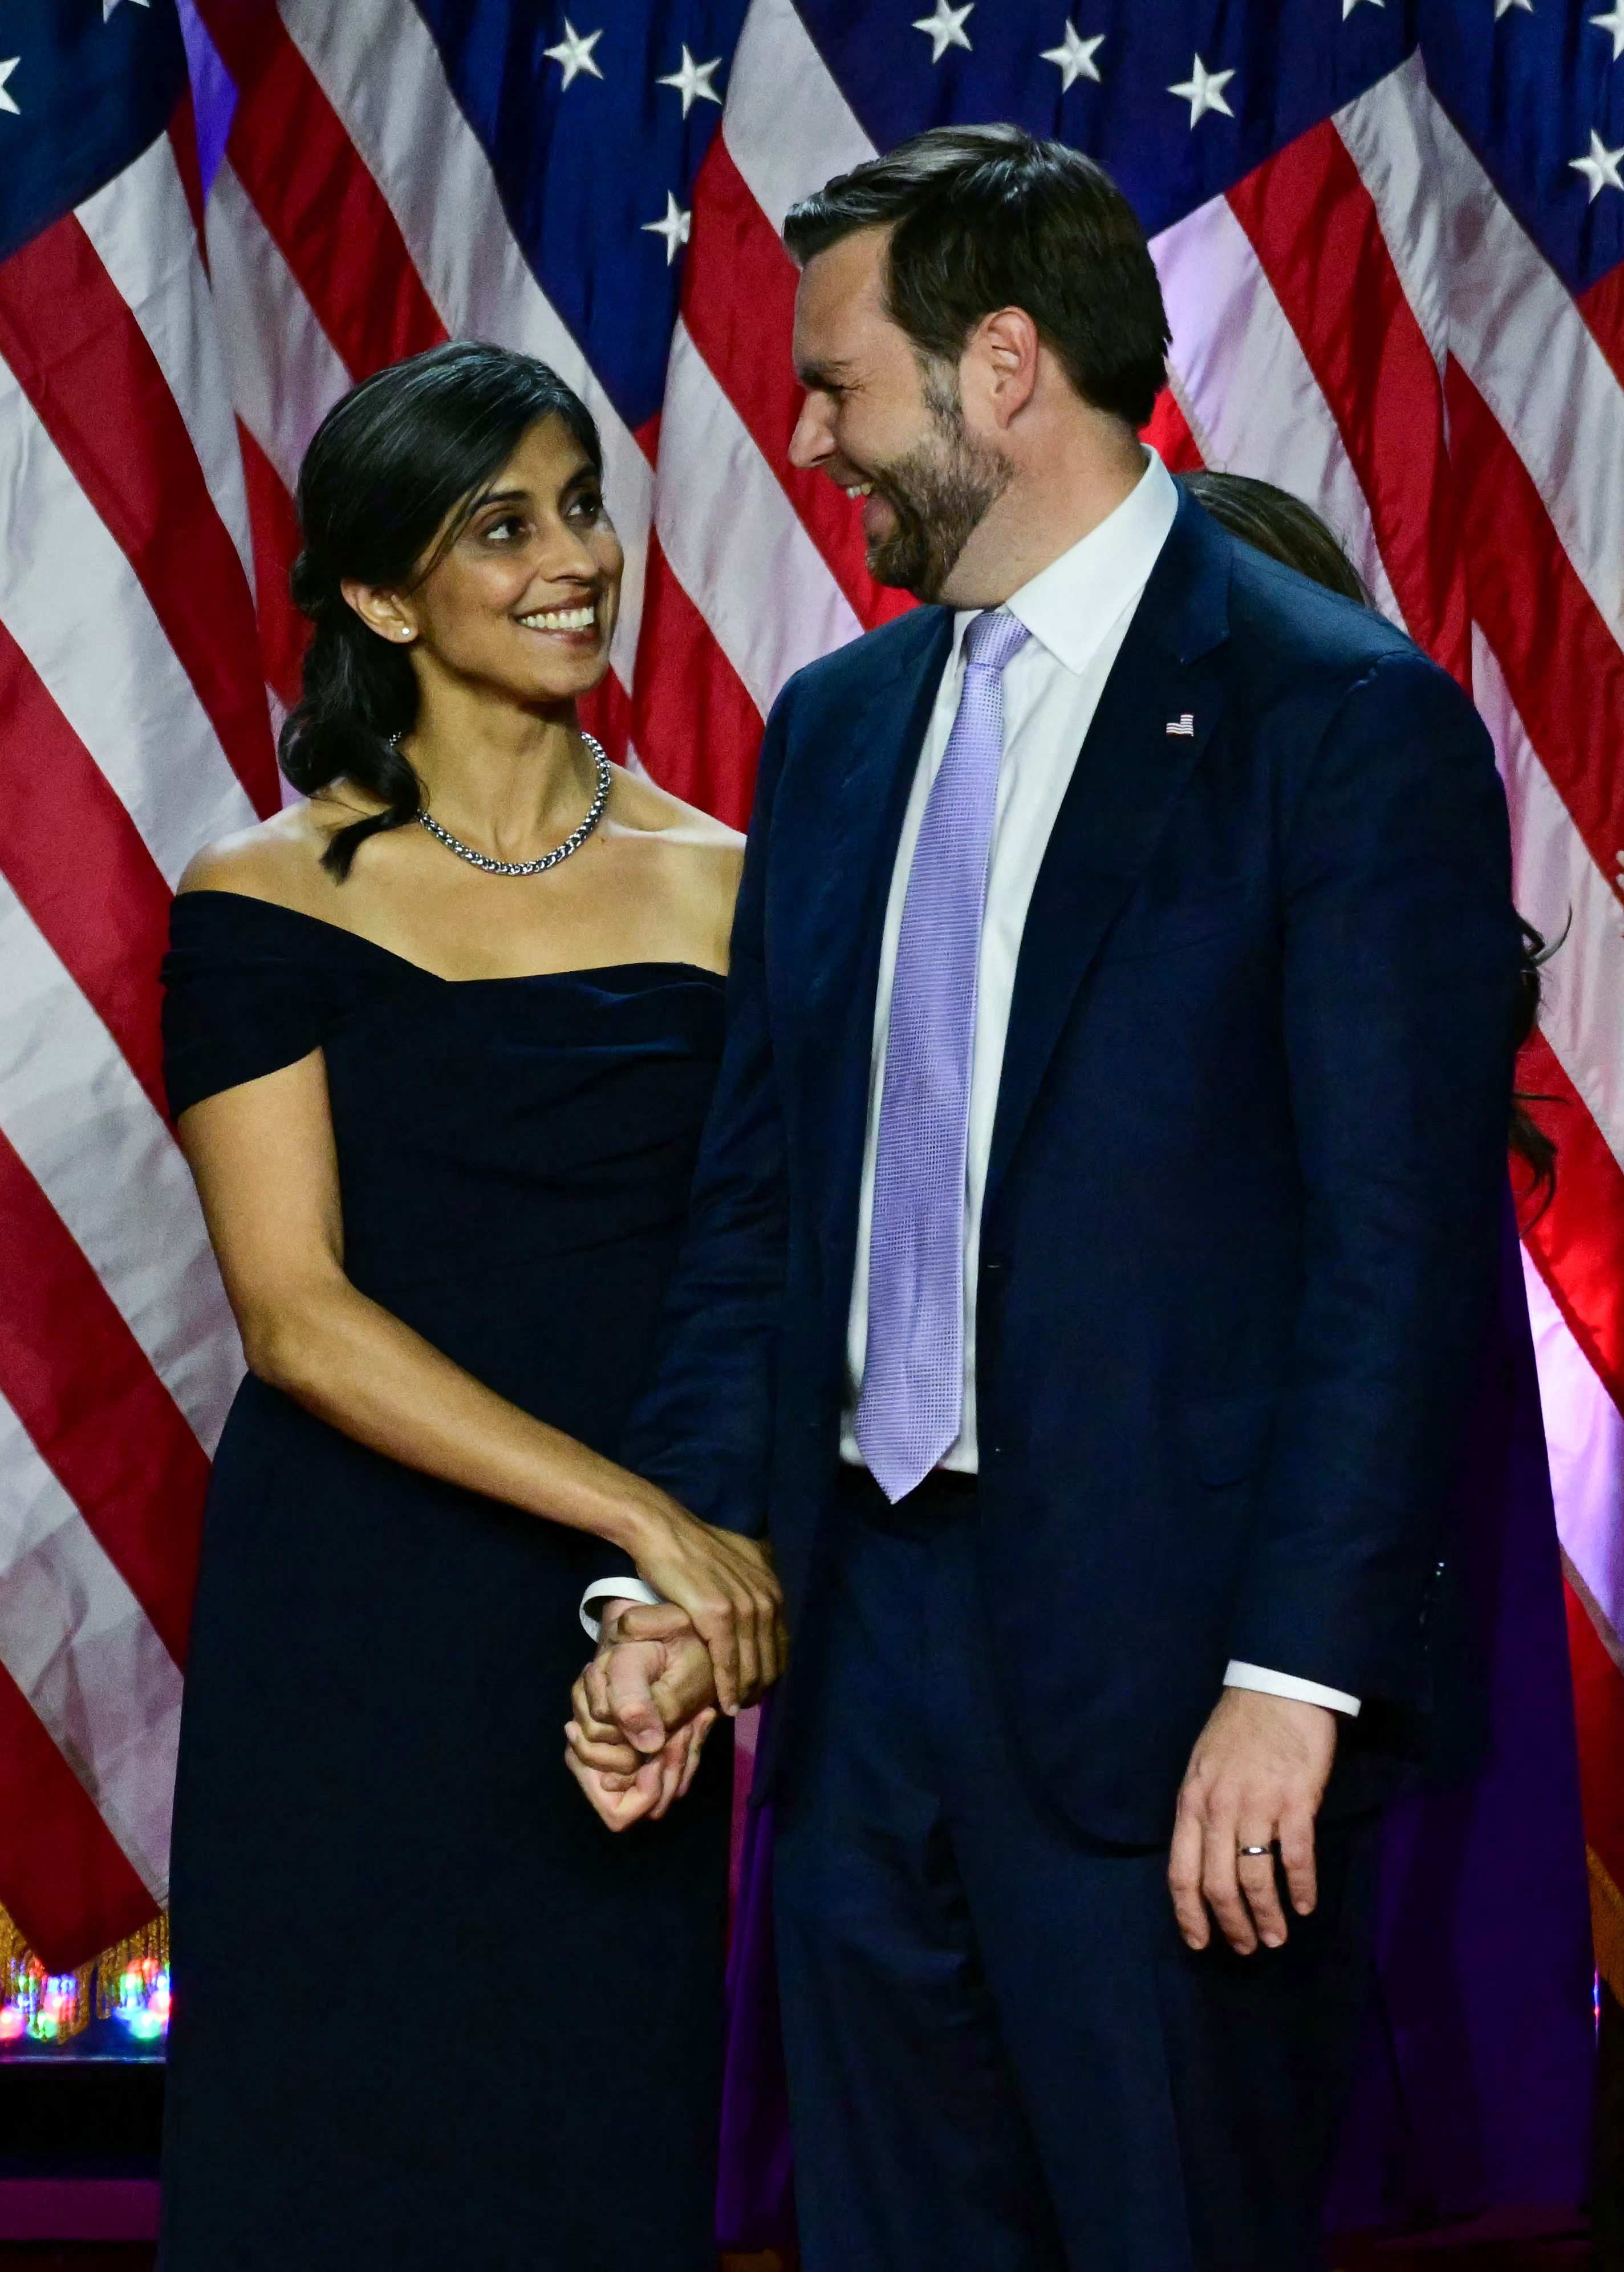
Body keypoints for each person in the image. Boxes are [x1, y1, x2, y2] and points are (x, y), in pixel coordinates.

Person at [567, 128, 1523, 2270]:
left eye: (840, 386)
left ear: (1006, 368)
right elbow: (761, 1221)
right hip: (863, 1673)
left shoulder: (1336, 721)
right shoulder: (831, 731)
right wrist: (667, 1593)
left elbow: (1400, 1262)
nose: (807, 439)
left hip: (1181, 1699)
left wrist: (1295, 1680)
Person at [156, 340, 782, 2272]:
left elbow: (766, 1270)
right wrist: (648, 1521)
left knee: (593, 2144)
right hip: (355, 1618)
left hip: (617, 1645)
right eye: (499, 525)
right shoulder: (261, 892)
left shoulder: (736, 881)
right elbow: (295, 1315)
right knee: (330, 2161)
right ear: (377, 591)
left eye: (582, 504)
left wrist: (664, 1578)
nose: (572, 557)